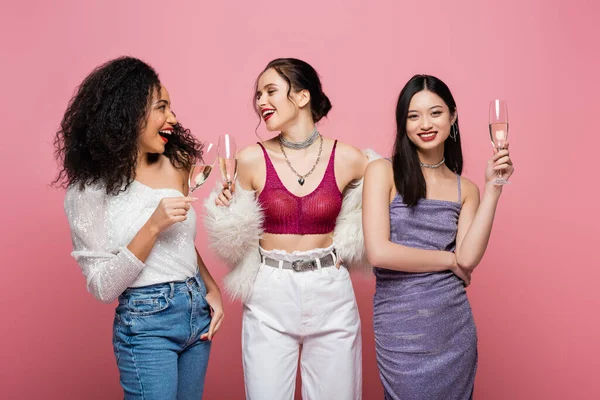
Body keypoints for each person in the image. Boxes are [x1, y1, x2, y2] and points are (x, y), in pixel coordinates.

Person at [204, 58, 379, 400]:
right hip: (270, 290)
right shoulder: (249, 159)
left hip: (330, 290)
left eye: (270, 91)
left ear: (302, 97)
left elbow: (388, 202)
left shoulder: (348, 158)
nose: (260, 102)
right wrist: (226, 210)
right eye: (257, 95)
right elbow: (231, 238)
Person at [54, 56, 224, 399]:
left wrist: (211, 288)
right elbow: (103, 288)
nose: (173, 119)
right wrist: (152, 225)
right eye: (162, 107)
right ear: (127, 114)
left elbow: (180, 243)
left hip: (195, 311)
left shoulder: (174, 162)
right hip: (147, 322)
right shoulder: (87, 191)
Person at [363, 74, 514, 399]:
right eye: (413, 115)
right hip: (400, 327)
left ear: (453, 116)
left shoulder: (467, 189)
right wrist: (448, 260)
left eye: (435, 112)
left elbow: (468, 258)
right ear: (402, 123)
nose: (425, 123)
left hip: (452, 327)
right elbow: (379, 252)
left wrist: (494, 188)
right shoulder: (382, 172)